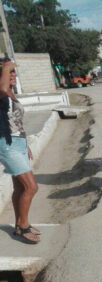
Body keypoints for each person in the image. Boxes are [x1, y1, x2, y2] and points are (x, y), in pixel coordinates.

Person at [0, 59, 40, 244]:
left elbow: (16, 122)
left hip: (19, 143)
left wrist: (25, 144)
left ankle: (19, 224)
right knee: (31, 187)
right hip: (6, 145)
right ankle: (24, 227)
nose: (13, 75)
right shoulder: (1, 92)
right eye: (10, 73)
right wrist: (6, 67)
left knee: (20, 187)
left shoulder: (11, 93)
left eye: (14, 73)